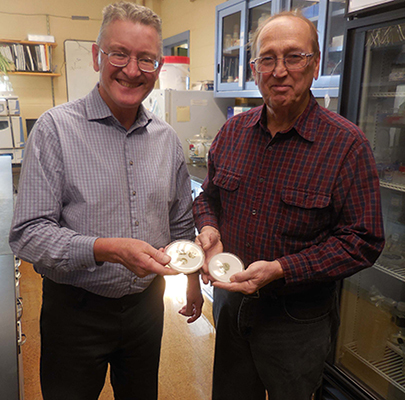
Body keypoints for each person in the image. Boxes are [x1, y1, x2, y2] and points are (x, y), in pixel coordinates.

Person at [9, 2, 203, 399]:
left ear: (158, 67)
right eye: (120, 54)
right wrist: (103, 249)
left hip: (147, 310)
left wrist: (193, 282)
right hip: (76, 312)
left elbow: (182, 225)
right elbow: (27, 233)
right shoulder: (55, 130)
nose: (132, 70)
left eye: (146, 59)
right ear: (98, 56)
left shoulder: (167, 139)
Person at [193, 10, 385, 400]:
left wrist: (281, 269)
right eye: (268, 58)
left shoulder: (346, 145)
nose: (279, 70)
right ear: (255, 68)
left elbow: (363, 240)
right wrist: (210, 229)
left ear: (314, 66)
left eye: (294, 56)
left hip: (297, 321)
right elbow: (208, 199)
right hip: (231, 306)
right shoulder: (232, 132)